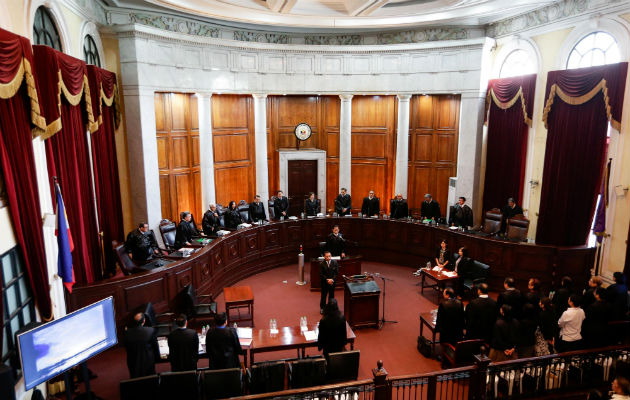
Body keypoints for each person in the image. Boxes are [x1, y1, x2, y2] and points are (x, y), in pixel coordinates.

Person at [123, 312, 159, 378]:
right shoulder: (151, 331)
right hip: (148, 361)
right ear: (144, 321)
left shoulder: (127, 333)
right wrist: (158, 358)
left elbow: (127, 348)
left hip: (133, 361)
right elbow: (155, 347)